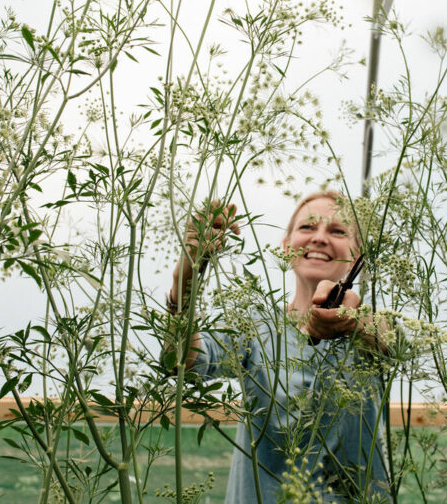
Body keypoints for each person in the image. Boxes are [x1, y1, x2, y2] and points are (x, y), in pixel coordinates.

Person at [166, 191, 390, 503]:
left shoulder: (368, 329)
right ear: (286, 246)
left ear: (358, 257)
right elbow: (181, 363)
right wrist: (184, 285)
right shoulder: (256, 326)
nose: (320, 238)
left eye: (338, 231)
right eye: (307, 227)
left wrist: (352, 320)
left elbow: (390, 343)